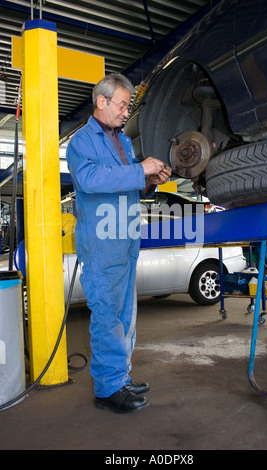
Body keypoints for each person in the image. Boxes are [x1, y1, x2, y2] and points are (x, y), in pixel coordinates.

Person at [66, 73, 171, 413]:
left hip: (125, 241)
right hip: (100, 245)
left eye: (128, 106)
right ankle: (108, 390)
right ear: (102, 101)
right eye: (124, 105)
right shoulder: (82, 141)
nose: (127, 112)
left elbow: (127, 184)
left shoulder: (122, 141)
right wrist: (140, 169)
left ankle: (120, 377)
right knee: (108, 317)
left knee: (125, 315)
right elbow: (91, 179)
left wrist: (149, 181)